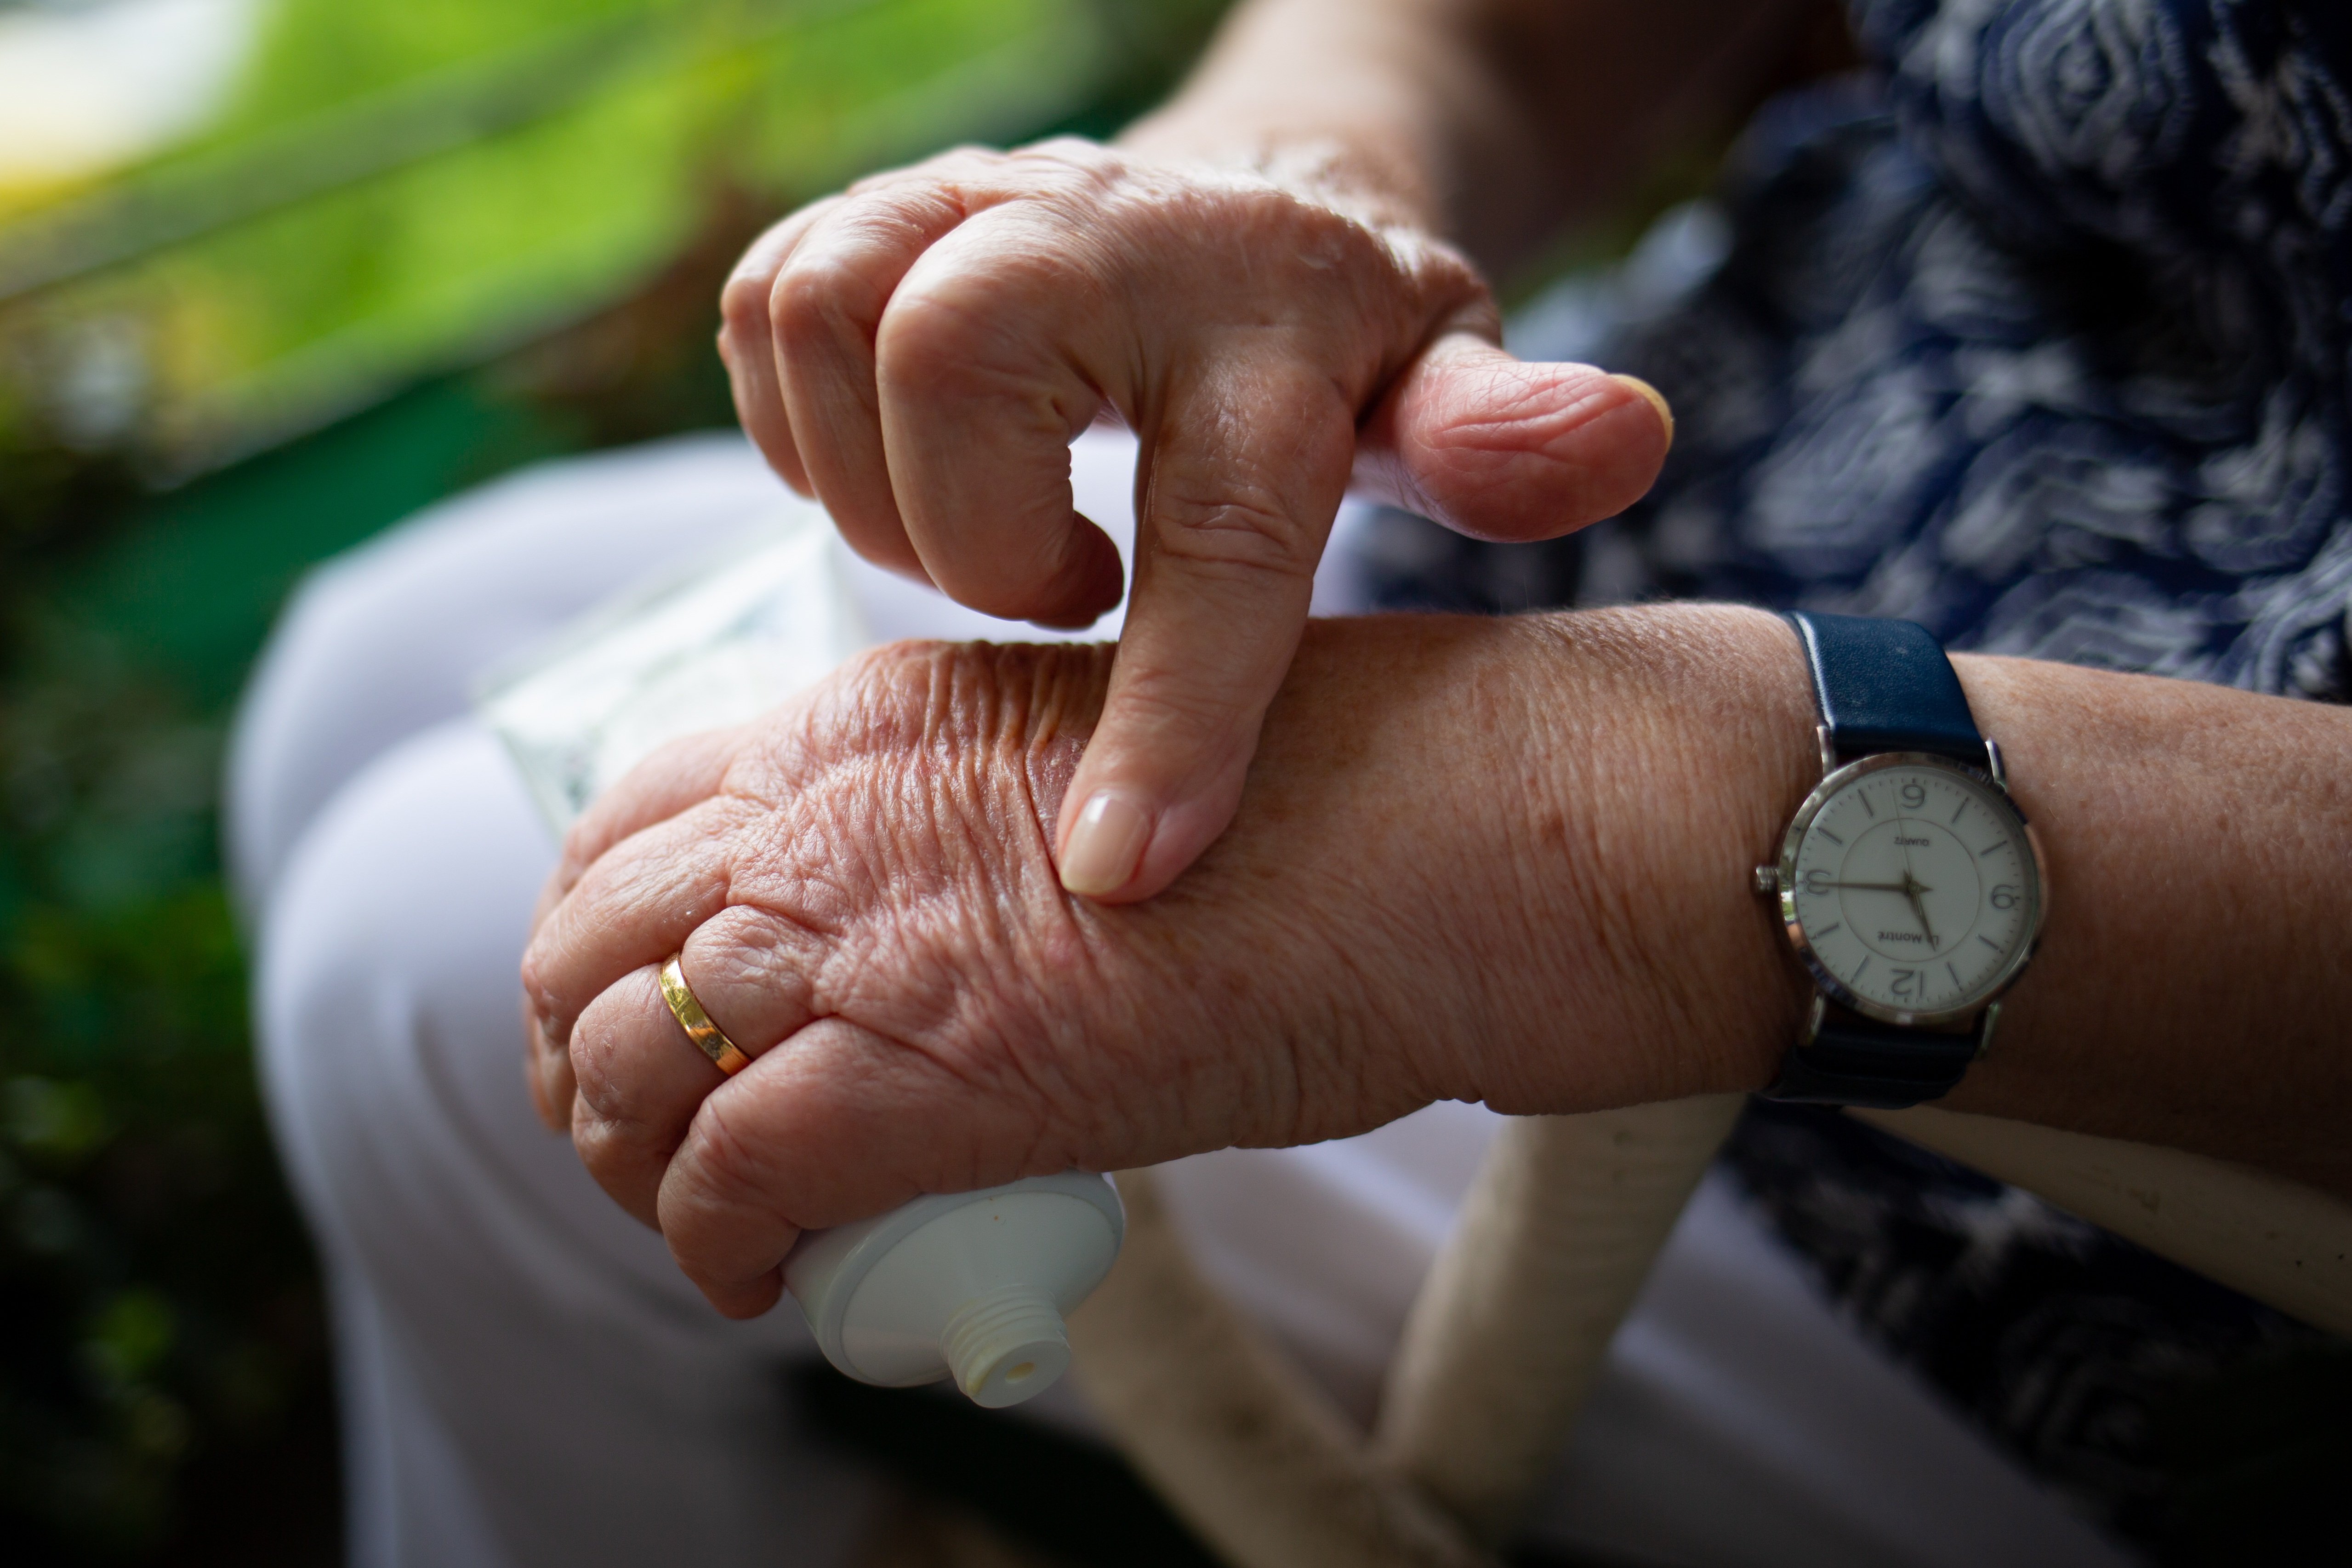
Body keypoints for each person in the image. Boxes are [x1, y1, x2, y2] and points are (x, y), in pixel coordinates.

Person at [236, 1, 2351, 1564]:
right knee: (382, 659)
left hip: (2070, 1086)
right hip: (1639, 477)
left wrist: (1640, 828)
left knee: (420, 980)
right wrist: (1307, 156)